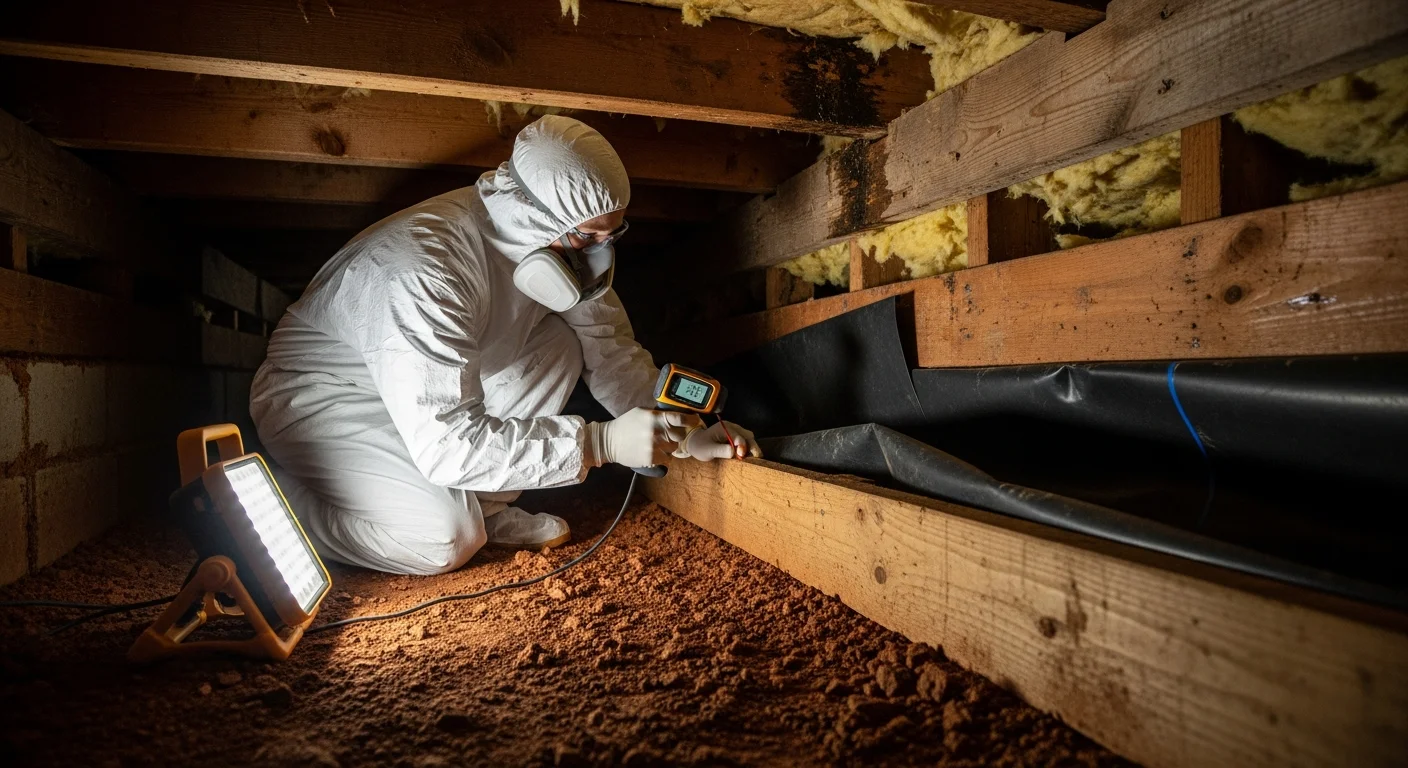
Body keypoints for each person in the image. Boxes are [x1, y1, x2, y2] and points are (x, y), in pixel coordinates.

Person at [250, 116, 759, 576]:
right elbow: (446, 442)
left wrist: (684, 432)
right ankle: (285, 498)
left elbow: (610, 348)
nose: (601, 254)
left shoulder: (561, 243)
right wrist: (599, 443)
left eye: (613, 235)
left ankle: (486, 508)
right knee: (443, 538)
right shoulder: (427, 271)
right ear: (537, 219)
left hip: (424, 399)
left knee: (560, 341)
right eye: (589, 237)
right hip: (328, 397)